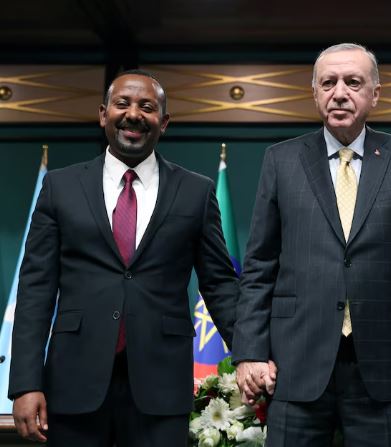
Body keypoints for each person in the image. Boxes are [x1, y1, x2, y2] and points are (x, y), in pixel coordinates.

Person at [232, 43, 391, 446]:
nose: (339, 92)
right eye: (328, 82)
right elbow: (259, 266)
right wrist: (248, 351)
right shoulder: (281, 160)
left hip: (384, 364)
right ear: (314, 92)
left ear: (375, 93)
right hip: (296, 361)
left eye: (353, 82)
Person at [9, 69, 238, 446]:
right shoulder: (59, 187)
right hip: (73, 385)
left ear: (163, 123)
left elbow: (220, 286)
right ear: (103, 114)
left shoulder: (196, 192)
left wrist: (250, 356)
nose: (133, 114)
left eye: (146, 107)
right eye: (122, 104)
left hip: (161, 388)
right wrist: (25, 383)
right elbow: (35, 288)